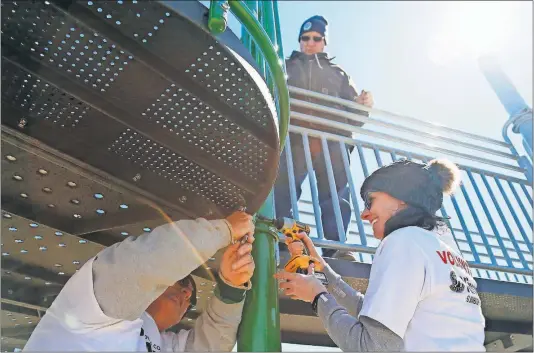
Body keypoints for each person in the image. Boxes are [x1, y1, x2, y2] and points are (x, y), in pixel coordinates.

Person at [275, 159, 486, 351]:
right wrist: (325, 274)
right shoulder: (444, 250)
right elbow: (372, 313)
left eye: (370, 200)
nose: (364, 214)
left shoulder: (402, 241)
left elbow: (373, 346)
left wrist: (317, 297)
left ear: (402, 198)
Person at [24, 211, 256, 352]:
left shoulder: (159, 343)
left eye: (191, 297)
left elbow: (209, 345)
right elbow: (142, 265)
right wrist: (222, 230)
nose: (186, 294)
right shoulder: (91, 308)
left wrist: (230, 286)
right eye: (182, 281)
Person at [274, 15, 374, 260]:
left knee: (335, 194)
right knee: (284, 189)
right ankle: (283, 239)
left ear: (324, 42)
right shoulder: (285, 67)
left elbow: (355, 117)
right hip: (296, 138)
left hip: (332, 142)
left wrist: (361, 105)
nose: (310, 42)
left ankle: (336, 246)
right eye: (305, 38)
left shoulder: (338, 74)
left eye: (316, 38)